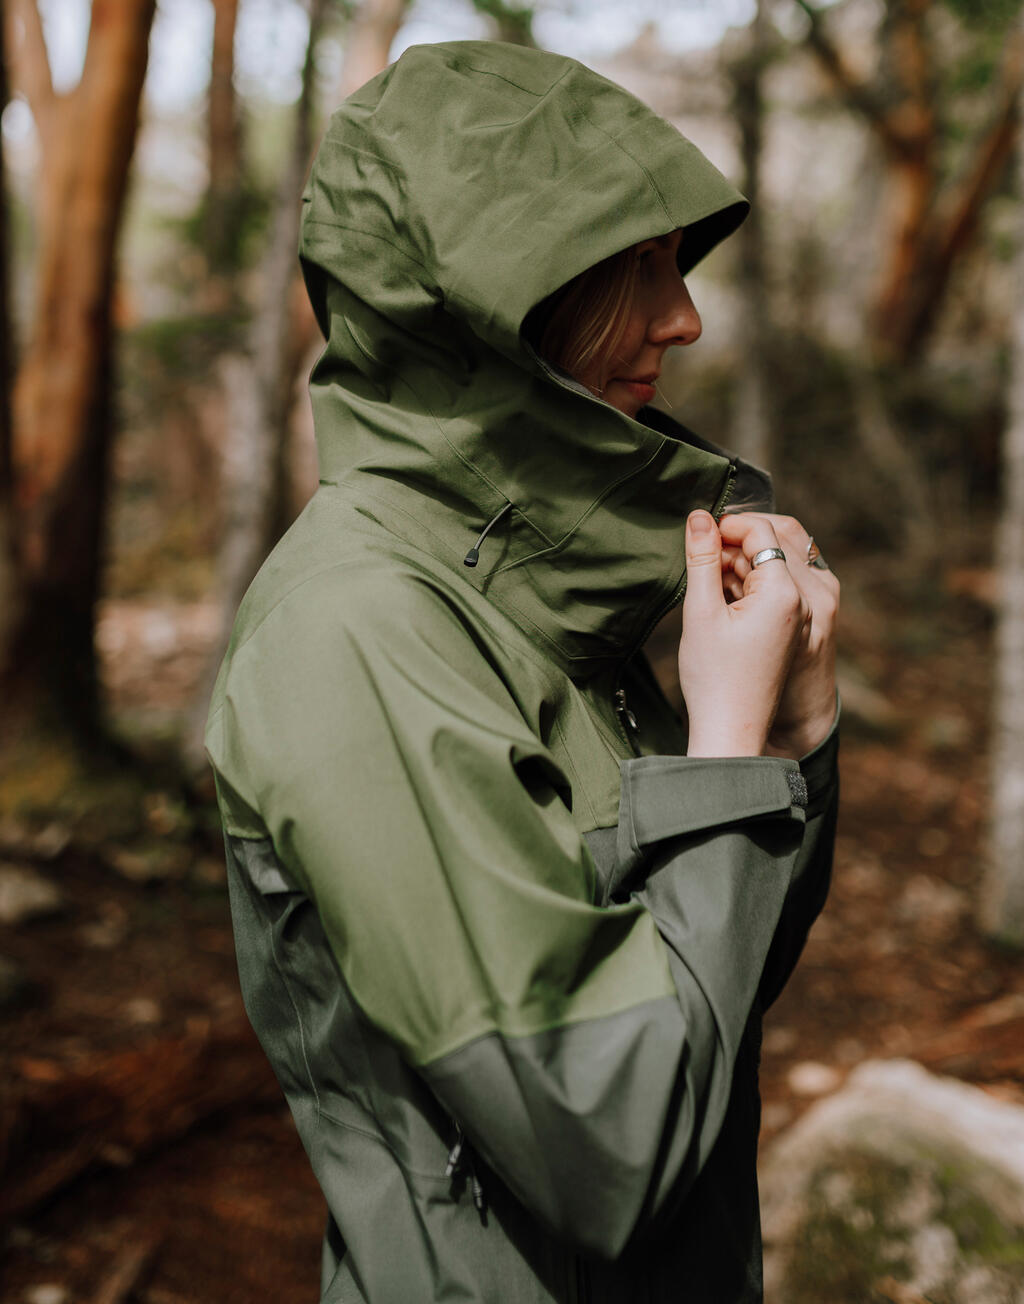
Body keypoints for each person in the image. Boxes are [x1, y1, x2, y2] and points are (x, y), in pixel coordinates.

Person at [205, 39, 839, 1304]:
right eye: (633, 265)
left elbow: (709, 987)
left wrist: (789, 738)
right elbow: (612, 1141)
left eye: (676, 260)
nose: (684, 316)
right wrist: (720, 749)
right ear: (485, 304)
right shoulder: (357, 636)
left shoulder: (542, 597)